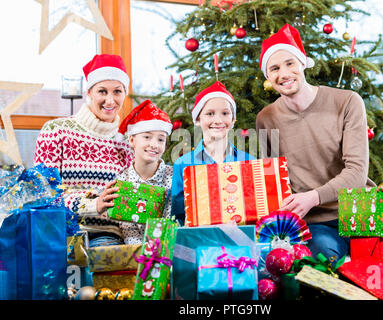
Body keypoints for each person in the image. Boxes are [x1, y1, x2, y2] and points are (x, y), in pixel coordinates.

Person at [256, 24, 376, 263]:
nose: (284, 74)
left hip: (360, 214)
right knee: (322, 264)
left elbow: (357, 173)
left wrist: (312, 196)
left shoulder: (348, 102)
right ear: (268, 77)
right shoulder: (266, 119)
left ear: (303, 63)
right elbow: (272, 182)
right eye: (275, 68)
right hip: (316, 224)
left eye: (290, 63)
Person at [34, 54, 134, 245]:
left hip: (111, 236)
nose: (110, 100)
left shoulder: (126, 142)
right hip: (64, 232)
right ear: (89, 93)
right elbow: (43, 194)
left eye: (117, 92)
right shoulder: (56, 131)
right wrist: (91, 204)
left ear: (124, 94)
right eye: (102, 91)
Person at [171, 81, 255, 224]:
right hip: (198, 242)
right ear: (198, 119)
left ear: (233, 119)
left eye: (225, 113)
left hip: (241, 242)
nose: (218, 120)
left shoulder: (249, 161)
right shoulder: (182, 165)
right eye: (210, 114)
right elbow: (177, 216)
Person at [111, 99, 173, 244]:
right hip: (133, 252)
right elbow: (127, 227)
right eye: (147, 137)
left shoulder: (173, 177)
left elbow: (170, 221)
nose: (154, 145)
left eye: (161, 140)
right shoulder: (122, 180)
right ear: (132, 140)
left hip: (165, 248)